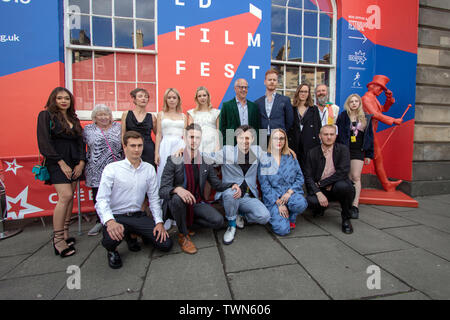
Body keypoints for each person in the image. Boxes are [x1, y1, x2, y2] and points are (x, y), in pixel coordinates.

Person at [95, 131, 173, 269]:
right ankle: (113, 250)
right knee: (110, 239)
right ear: (124, 147)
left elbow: (154, 199)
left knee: (166, 244)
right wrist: (110, 221)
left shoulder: (149, 169)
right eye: (132, 146)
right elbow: (101, 200)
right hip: (117, 217)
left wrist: (159, 222)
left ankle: (131, 234)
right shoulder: (112, 169)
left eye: (139, 145)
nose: (137, 149)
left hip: (138, 216)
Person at [159, 124, 240, 254]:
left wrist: (232, 185)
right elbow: (162, 190)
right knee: (177, 199)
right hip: (177, 203)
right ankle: (183, 235)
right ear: (184, 138)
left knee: (218, 221)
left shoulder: (205, 161)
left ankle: (186, 223)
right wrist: (177, 189)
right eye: (191, 137)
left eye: (197, 138)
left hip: (195, 202)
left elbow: (216, 184)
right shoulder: (174, 160)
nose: (194, 140)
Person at [37, 87, 86, 257]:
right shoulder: (46, 116)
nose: (64, 101)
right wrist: (60, 162)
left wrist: (81, 162)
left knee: (71, 195)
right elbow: (44, 142)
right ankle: (57, 239)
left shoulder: (73, 118)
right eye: (60, 98)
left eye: (66, 98)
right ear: (54, 99)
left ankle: (65, 233)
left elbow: (80, 141)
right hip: (57, 160)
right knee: (64, 196)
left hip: (74, 161)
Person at [206, 125, 271, 245]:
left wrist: (287, 151)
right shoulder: (227, 151)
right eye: (241, 138)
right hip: (229, 194)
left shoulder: (257, 150)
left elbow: (272, 158)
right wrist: (187, 151)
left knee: (265, 217)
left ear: (252, 139)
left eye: (247, 138)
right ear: (236, 138)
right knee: (232, 193)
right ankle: (231, 225)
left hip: (247, 196)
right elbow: (208, 157)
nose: (244, 141)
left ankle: (240, 214)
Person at [303, 125, 355, 234]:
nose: (329, 137)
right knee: (310, 201)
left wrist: (322, 183)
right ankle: (320, 208)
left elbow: (343, 172)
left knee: (344, 186)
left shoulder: (343, 150)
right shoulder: (312, 152)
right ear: (320, 136)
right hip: (321, 189)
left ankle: (346, 219)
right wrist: (318, 192)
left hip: (336, 186)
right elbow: (308, 176)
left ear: (336, 136)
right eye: (326, 134)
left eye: (332, 134)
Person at [83, 104, 123, 236]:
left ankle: (118, 218)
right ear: (94, 117)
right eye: (100, 115)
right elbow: (83, 147)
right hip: (96, 167)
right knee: (98, 194)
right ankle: (102, 221)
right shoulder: (88, 129)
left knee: (117, 192)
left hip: (116, 165)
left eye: (106, 114)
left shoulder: (118, 127)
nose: (104, 117)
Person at [259, 129, 307, 236]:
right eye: (276, 138)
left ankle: (291, 216)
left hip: (290, 195)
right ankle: (279, 215)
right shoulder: (265, 159)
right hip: (274, 199)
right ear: (271, 140)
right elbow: (265, 185)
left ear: (285, 141)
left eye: (282, 138)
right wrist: (279, 203)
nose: (279, 141)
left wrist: (289, 192)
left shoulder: (291, 156)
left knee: (301, 203)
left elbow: (300, 177)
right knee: (283, 230)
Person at [362, 75, 403, 191]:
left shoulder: (373, 98)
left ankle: (386, 184)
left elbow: (383, 109)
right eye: (380, 88)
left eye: (382, 89)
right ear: (372, 86)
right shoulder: (366, 99)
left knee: (376, 158)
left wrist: (389, 99)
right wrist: (394, 120)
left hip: (371, 132)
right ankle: (386, 184)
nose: (381, 91)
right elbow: (375, 114)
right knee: (373, 158)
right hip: (367, 132)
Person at [336, 94, 374, 219]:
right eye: (351, 101)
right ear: (348, 103)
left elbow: (370, 137)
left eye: (356, 101)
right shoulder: (343, 116)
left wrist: (369, 154)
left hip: (358, 151)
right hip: (345, 150)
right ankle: (346, 203)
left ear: (359, 103)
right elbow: (337, 134)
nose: (354, 103)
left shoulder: (366, 118)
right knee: (347, 178)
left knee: (356, 177)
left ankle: (355, 206)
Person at [155, 88, 186, 186]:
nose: (172, 100)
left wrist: (184, 149)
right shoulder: (161, 114)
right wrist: (156, 153)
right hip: (165, 146)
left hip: (180, 146)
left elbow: (185, 135)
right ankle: (163, 199)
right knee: (163, 170)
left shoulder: (183, 116)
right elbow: (158, 134)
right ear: (165, 100)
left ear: (178, 100)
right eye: (169, 98)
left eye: (174, 97)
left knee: (179, 172)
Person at [287, 83, 322, 170]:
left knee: (309, 172)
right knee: (294, 171)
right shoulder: (291, 108)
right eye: (301, 91)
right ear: (297, 93)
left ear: (309, 94)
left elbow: (318, 128)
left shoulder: (314, 109)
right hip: (294, 144)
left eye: (306, 92)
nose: (303, 94)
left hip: (310, 145)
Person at [255, 69, 294, 145]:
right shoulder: (258, 102)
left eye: (274, 80)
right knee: (263, 157)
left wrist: (282, 132)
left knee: (277, 157)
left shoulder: (285, 100)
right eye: (269, 80)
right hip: (262, 138)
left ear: (277, 82)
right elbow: (257, 122)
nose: (272, 82)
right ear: (265, 82)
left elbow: (289, 121)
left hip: (279, 137)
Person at [121, 88, 157, 167]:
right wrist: (125, 148)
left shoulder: (152, 117)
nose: (143, 98)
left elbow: (158, 135)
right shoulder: (126, 114)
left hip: (148, 149)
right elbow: (123, 133)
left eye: (146, 96)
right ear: (134, 99)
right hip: (131, 147)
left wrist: (157, 152)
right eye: (140, 96)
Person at [219, 79, 260, 145]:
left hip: (250, 144)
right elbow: (222, 128)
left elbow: (257, 127)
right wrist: (226, 145)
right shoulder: (226, 106)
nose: (244, 89)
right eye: (241, 87)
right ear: (235, 88)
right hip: (232, 144)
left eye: (246, 87)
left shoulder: (254, 106)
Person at [187, 86, 220, 153]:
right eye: (199, 96)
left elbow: (218, 131)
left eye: (204, 95)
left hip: (213, 143)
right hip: (198, 144)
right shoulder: (192, 113)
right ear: (196, 98)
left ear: (208, 96)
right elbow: (190, 133)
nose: (202, 98)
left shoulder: (216, 112)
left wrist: (218, 147)